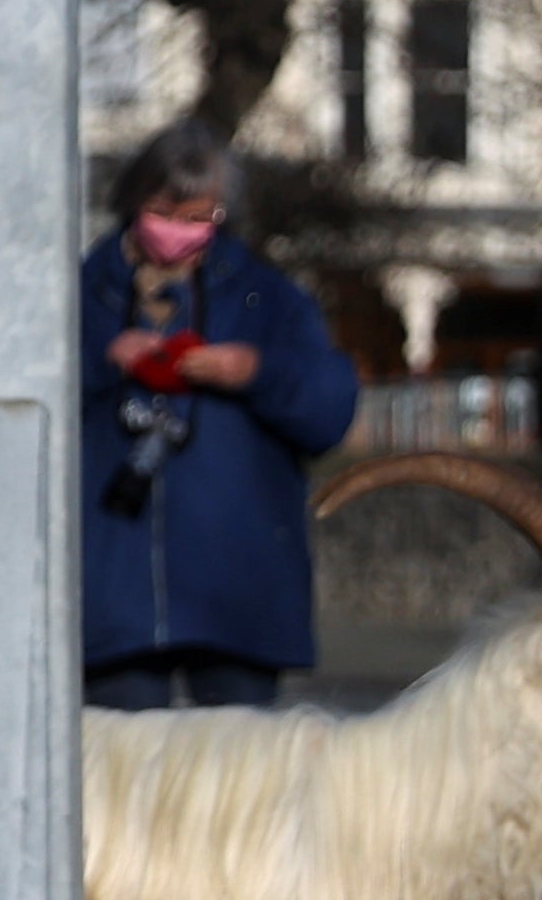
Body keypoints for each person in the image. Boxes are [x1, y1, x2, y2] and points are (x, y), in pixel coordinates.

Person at [78, 120, 360, 709]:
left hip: (237, 599)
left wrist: (257, 371)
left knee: (242, 786)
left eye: (197, 219)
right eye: (163, 212)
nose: (177, 231)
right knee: (124, 779)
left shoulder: (270, 299)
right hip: (109, 596)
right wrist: (100, 360)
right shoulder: (75, 294)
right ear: (133, 202)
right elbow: (12, 401)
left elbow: (329, 411)